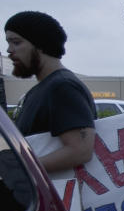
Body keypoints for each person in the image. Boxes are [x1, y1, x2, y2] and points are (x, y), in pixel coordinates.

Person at [5, 11, 95, 172]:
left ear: (39, 44)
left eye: (16, 42)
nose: (9, 50)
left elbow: (81, 151)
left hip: (60, 196)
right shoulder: (44, 89)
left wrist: (18, 170)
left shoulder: (62, 87)